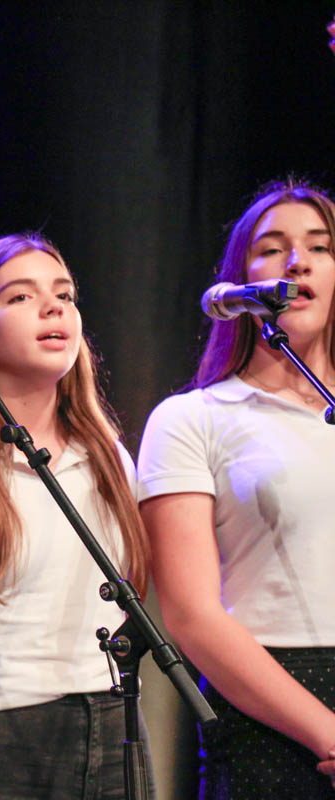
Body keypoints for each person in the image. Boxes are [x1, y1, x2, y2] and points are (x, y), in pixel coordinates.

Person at [0, 233, 153, 799]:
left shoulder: (108, 458)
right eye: (20, 296)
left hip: (115, 725)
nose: (52, 308)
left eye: (64, 295)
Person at [138, 180, 335, 797]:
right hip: (270, 711)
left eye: (320, 247)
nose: (297, 262)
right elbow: (191, 614)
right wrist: (328, 734)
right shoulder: (194, 419)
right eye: (272, 249)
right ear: (239, 282)